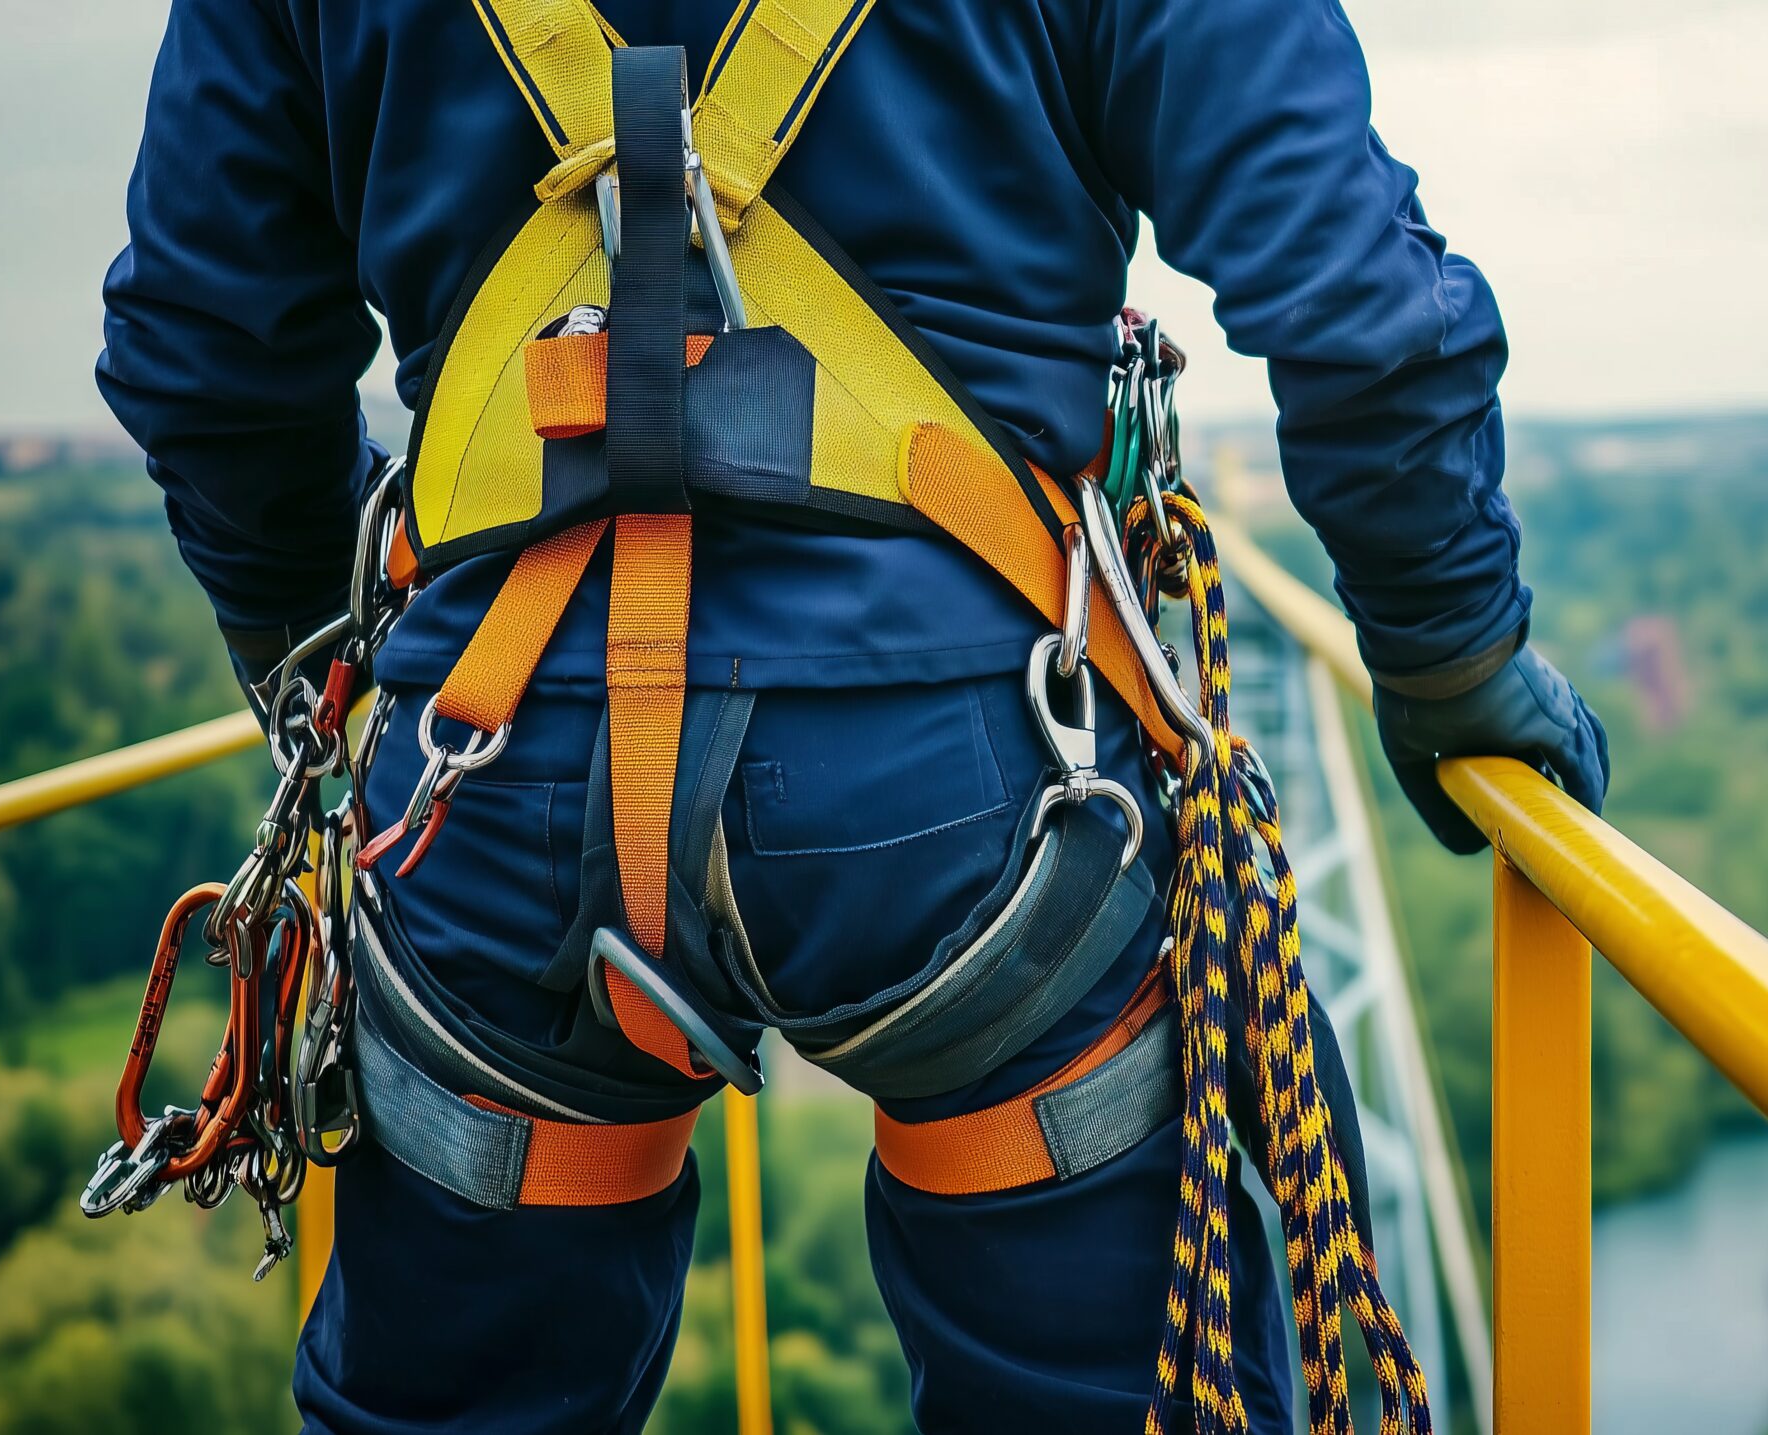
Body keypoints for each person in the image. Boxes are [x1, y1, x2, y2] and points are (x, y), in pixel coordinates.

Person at [97, 0, 1608, 1429]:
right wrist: (1448, 654)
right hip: (974, 800)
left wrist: (332, 663)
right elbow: (1354, 294)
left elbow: (204, 346)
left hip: (489, 782)